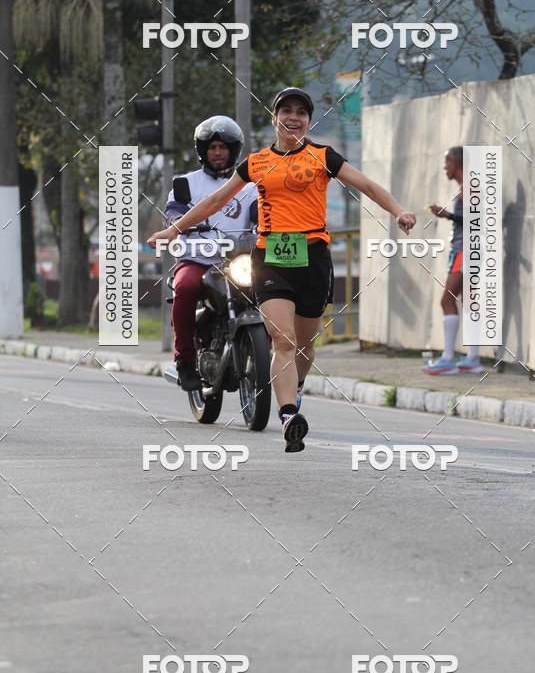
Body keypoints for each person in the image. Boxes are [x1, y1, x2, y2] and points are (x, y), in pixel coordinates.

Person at [149, 88, 416, 453]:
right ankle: (289, 415)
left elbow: (366, 185)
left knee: (305, 347)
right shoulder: (256, 163)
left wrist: (398, 210)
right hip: (270, 256)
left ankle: (296, 386)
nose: (293, 118)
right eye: (286, 111)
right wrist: (173, 229)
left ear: (308, 120)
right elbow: (215, 201)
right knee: (283, 341)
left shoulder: (323, 156)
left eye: (301, 113)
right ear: (275, 117)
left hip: (313, 257)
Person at [165, 116, 257, 391]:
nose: (218, 152)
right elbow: (173, 212)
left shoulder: (250, 186)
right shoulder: (186, 184)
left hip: (237, 261)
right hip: (197, 258)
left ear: (234, 150)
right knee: (185, 286)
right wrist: (176, 222)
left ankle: (262, 351)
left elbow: (260, 214)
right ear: (203, 150)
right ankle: (184, 359)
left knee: (270, 287)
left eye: (223, 147)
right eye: (212, 147)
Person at [423, 146, 483, 374]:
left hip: (465, 250)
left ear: (456, 163)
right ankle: (472, 358)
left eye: (446, 163)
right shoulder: (467, 186)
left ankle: (448, 358)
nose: (444, 167)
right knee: (469, 302)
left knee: (446, 300)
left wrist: (446, 214)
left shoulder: (469, 186)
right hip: (469, 249)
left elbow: (476, 219)